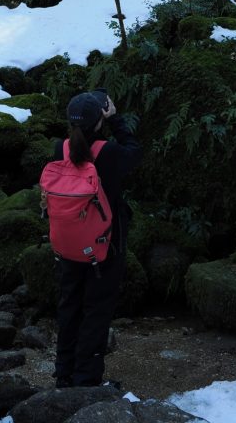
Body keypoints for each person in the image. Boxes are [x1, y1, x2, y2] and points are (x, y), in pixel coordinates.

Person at [51, 89, 141, 388]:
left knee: (69, 306)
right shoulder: (110, 153)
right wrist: (116, 120)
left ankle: (64, 374)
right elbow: (134, 151)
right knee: (96, 310)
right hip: (104, 246)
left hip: (66, 244)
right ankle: (86, 380)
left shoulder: (59, 149)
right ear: (100, 120)